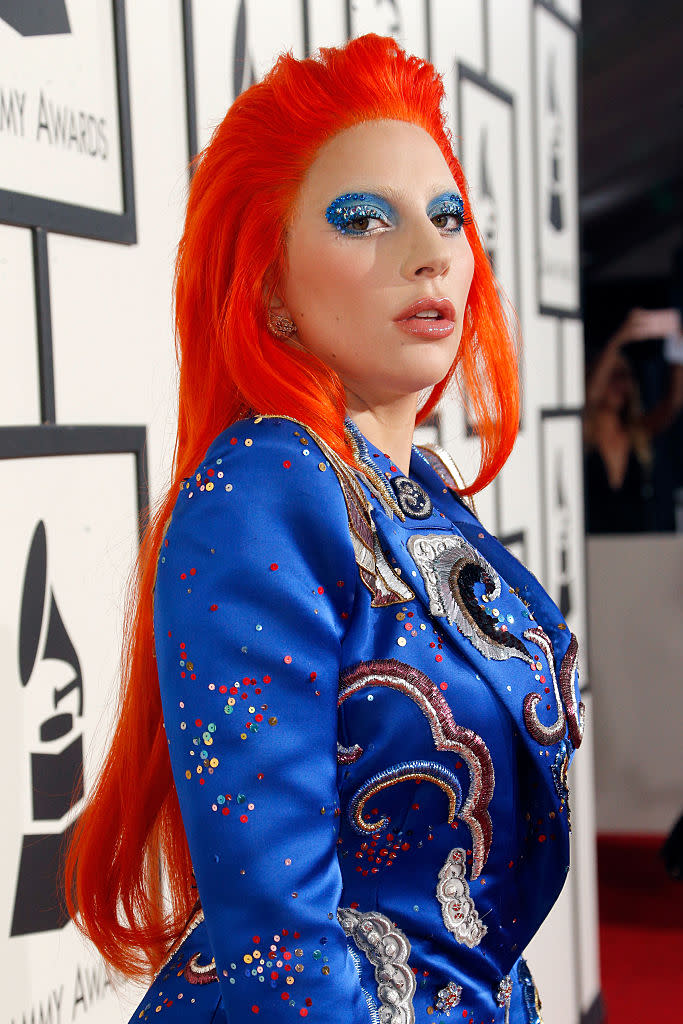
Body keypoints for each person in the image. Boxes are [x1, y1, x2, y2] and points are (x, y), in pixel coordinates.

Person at [65, 35, 584, 1023]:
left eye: (446, 217)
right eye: (362, 220)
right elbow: (278, 940)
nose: (429, 251)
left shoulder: (415, 491)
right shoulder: (265, 487)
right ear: (267, 284)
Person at [583, 306, 683, 533]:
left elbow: (672, 404)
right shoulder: (583, 433)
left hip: (636, 548)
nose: (620, 383)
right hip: (593, 548)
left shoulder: (635, 433)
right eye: (613, 375)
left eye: (625, 376)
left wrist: (678, 350)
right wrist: (619, 340)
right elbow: (591, 397)